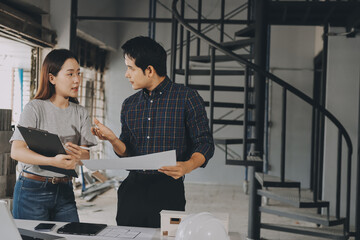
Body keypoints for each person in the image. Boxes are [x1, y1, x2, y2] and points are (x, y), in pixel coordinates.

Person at [91, 36, 214, 228]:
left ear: (149, 70)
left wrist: (187, 166)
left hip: (168, 189)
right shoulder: (129, 104)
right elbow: (127, 151)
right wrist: (113, 139)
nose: (126, 74)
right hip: (132, 190)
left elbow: (204, 142)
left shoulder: (187, 98)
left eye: (131, 68)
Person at [10, 49, 97, 222]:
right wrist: (51, 161)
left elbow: (86, 155)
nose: (77, 80)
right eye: (70, 74)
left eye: (78, 74)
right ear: (52, 78)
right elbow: (16, 151)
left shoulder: (81, 113)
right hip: (32, 190)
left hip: (65, 189)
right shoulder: (34, 108)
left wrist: (78, 155)